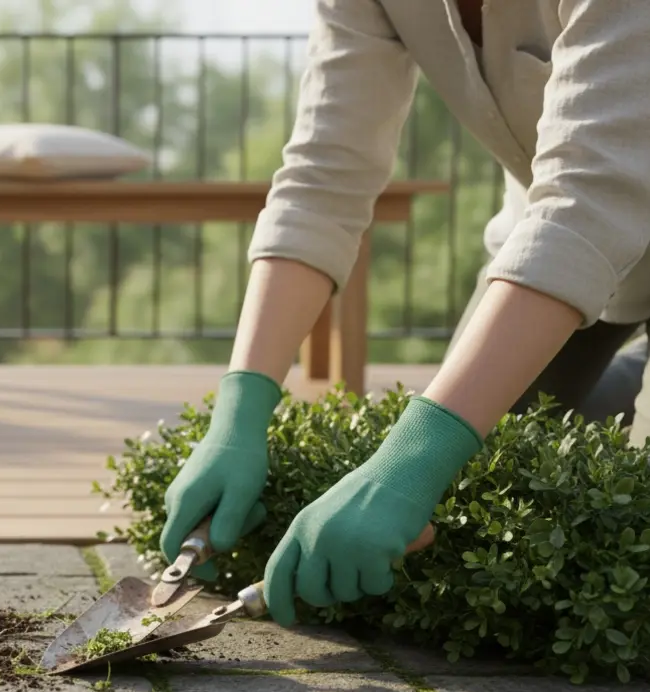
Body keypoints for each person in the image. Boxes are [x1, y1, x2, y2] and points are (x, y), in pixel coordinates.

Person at [160, 0, 650, 628]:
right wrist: (239, 412)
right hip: (545, 251)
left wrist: (412, 455)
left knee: (628, 551)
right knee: (478, 474)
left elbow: (591, 196)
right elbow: (323, 178)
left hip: (580, 222)